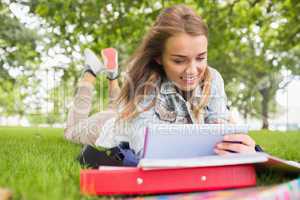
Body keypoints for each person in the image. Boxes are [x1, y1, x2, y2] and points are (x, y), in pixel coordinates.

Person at [65, 4, 261, 167]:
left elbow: (219, 125)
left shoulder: (213, 78)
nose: (192, 70)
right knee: (72, 131)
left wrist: (236, 144)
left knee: (118, 104)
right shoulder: (146, 81)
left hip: (128, 110)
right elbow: (144, 144)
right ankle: (90, 72)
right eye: (179, 61)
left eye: (201, 57)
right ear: (158, 57)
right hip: (109, 127)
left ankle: (112, 75)